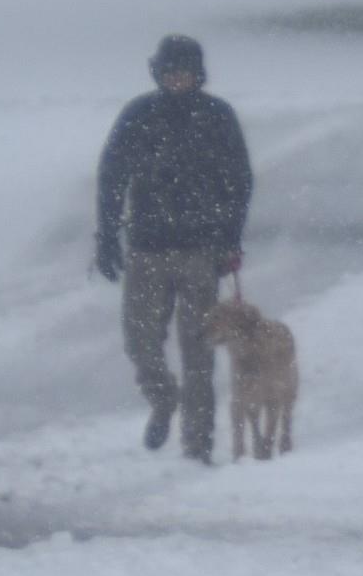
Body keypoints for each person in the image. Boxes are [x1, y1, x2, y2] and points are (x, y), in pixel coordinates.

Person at [93, 34, 253, 463]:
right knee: (140, 343)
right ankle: (164, 399)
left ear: (198, 74)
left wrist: (229, 239)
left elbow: (238, 183)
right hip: (146, 250)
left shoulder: (218, 117)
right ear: (158, 72)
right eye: (170, 71)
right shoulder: (138, 115)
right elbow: (112, 176)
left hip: (201, 253)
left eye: (184, 71)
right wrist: (107, 236)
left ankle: (197, 446)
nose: (177, 78)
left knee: (198, 352)